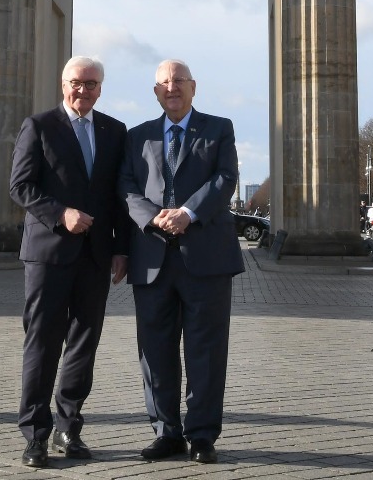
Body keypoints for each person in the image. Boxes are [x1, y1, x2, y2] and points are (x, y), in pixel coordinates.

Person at [119, 59, 244, 465]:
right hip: (152, 256)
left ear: (194, 88)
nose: (172, 87)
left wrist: (188, 212)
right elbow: (126, 186)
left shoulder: (218, 128)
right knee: (154, 350)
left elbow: (225, 178)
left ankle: (203, 435)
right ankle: (166, 432)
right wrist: (151, 217)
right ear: (155, 92)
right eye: (164, 82)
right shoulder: (136, 136)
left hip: (205, 256)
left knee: (206, 350)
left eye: (179, 81)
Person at [8, 55, 129, 469]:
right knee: (42, 343)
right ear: (63, 84)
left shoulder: (115, 131)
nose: (84, 90)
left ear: (101, 88)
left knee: (83, 345)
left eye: (92, 84)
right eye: (77, 83)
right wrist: (62, 214)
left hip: (96, 257)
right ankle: (36, 435)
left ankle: (68, 428)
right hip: (48, 254)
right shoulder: (39, 126)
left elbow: (119, 197)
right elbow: (20, 185)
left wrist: (121, 248)